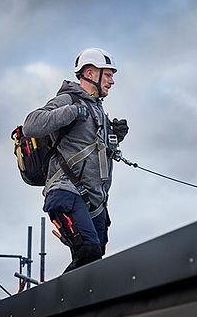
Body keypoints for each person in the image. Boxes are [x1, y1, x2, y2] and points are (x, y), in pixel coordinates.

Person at [22, 48, 129, 273]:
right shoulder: (68, 99)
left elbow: (94, 153)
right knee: (88, 252)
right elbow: (31, 125)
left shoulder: (98, 110)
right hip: (65, 192)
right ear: (90, 73)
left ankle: (72, 306)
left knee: (92, 263)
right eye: (108, 75)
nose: (112, 81)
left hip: (95, 203)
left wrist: (115, 137)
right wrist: (70, 112)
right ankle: (54, 305)